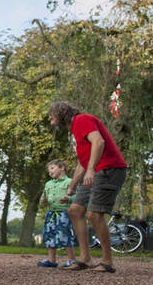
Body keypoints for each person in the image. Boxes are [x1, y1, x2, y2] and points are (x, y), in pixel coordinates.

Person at [48, 101, 128, 272]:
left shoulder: (82, 120)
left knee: (94, 214)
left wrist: (91, 169)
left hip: (109, 169)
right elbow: (83, 163)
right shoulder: (75, 130)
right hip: (94, 170)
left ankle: (107, 262)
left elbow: (99, 142)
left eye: (51, 116)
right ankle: (85, 258)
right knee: (75, 210)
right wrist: (71, 187)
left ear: (60, 113)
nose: (51, 121)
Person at [38, 159, 76, 268]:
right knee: (50, 235)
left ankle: (71, 260)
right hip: (51, 213)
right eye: (48, 169)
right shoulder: (48, 184)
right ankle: (51, 259)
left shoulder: (69, 182)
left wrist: (68, 199)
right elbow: (43, 199)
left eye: (52, 168)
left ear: (62, 168)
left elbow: (77, 196)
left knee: (65, 234)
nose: (49, 171)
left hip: (64, 213)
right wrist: (43, 201)